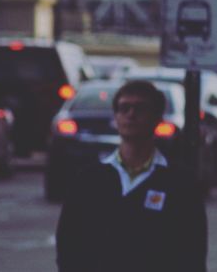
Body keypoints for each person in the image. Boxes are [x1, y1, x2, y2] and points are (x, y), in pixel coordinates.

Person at [56, 79, 207, 271]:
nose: (131, 114)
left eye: (140, 108)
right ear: (116, 117)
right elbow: (69, 245)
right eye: (124, 108)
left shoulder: (180, 184)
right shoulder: (89, 180)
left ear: (157, 118)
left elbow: (192, 254)